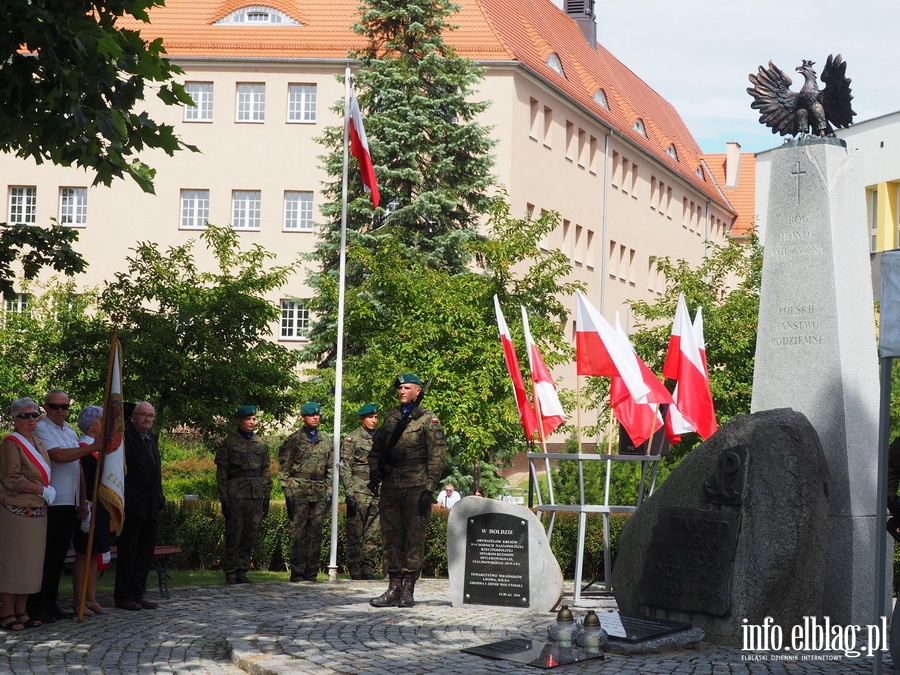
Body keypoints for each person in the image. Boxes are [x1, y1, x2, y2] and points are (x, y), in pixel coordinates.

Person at [368, 373, 446, 608]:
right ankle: (393, 587)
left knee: (413, 537)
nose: (402, 391)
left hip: (416, 486)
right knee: (391, 536)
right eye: (400, 387)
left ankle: (408, 588)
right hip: (391, 486)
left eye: (407, 387)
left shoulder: (427, 420)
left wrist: (429, 489)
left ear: (418, 391)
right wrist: (376, 470)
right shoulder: (391, 418)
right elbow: (376, 450)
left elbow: (438, 457)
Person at [29, 389, 91, 623]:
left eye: (64, 407)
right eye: (55, 406)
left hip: (70, 500)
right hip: (51, 500)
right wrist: (93, 448)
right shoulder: (42, 428)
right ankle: (36, 604)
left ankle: (51, 602)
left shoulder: (70, 431)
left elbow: (78, 467)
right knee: (44, 557)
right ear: (45, 407)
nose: (60, 411)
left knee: (58, 557)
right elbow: (59, 456)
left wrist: (82, 499)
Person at [0, 397, 55, 631]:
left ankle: (22, 610)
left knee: (31, 564)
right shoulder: (11, 444)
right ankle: (6, 612)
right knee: (14, 563)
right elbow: (11, 477)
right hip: (17, 510)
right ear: (15, 419)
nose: (30, 419)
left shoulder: (38, 442)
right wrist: (40, 489)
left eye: (34, 415)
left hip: (38, 511)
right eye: (25, 416)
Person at [114, 401, 164, 611]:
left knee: (145, 551)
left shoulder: (151, 438)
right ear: (133, 416)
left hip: (151, 504)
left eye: (150, 415)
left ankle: (138, 592)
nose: (147, 419)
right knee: (129, 551)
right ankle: (124, 595)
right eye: (143, 414)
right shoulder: (125, 438)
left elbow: (155, 472)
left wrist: (160, 498)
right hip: (132, 503)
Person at [215, 405, 272, 585]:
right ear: (239, 421)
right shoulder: (229, 443)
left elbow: (266, 471)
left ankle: (242, 570)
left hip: (255, 496)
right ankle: (231, 571)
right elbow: (222, 472)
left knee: (250, 534)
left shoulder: (260, 443)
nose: (252, 422)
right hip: (236, 495)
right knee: (234, 534)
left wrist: (266, 496)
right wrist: (224, 498)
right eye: (248, 419)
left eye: (254, 419)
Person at [278, 402, 332, 582]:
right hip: (299, 489)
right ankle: (297, 572)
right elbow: (284, 470)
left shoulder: (325, 440)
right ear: (303, 418)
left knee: (315, 533)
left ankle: (311, 572)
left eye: (317, 415)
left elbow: (331, 468)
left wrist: (330, 492)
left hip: (318, 491)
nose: (316, 418)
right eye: (311, 415)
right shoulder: (293, 440)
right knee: (298, 533)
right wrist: (288, 492)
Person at [71, 405, 111, 616]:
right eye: (102, 420)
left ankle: (91, 598)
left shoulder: (99, 448)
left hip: (101, 504)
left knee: (94, 552)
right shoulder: (83, 447)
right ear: (92, 423)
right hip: (87, 505)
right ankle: (79, 601)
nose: (104, 424)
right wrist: (84, 502)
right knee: (83, 552)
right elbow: (82, 478)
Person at [341, 404, 381, 580]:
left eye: (376, 417)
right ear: (362, 419)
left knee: (372, 534)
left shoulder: (382, 439)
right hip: (358, 492)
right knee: (354, 534)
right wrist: (349, 493)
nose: (373, 420)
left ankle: (368, 568)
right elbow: (344, 468)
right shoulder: (353, 439)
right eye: (370, 417)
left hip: (377, 493)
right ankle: (355, 568)